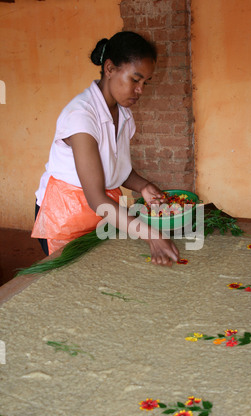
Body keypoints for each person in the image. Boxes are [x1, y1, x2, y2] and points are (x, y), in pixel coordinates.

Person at [32, 31, 179, 266]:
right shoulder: (81, 116)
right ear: (109, 69)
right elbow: (96, 198)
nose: (141, 90)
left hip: (100, 213)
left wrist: (143, 186)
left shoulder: (124, 114)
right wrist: (150, 234)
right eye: (135, 79)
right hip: (66, 215)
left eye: (145, 82)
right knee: (73, 280)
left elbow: (114, 168)